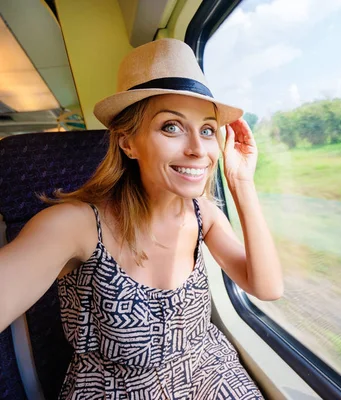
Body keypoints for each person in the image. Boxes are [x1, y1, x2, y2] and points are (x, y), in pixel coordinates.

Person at [0, 38, 283, 399]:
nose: (198, 148)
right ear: (127, 142)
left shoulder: (204, 215)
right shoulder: (75, 226)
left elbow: (268, 288)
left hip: (211, 375)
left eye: (208, 129)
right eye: (172, 127)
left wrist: (241, 182)